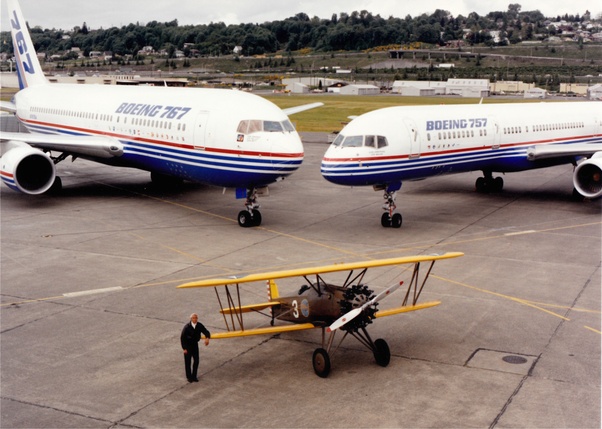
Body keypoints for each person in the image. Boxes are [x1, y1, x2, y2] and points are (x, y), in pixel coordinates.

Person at [180, 313, 210, 382]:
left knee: (196, 360)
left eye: (196, 318)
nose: (195, 319)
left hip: (195, 345)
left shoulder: (199, 325)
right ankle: (189, 377)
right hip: (188, 346)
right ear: (191, 319)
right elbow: (182, 338)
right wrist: (184, 348)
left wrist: (207, 338)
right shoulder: (187, 327)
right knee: (188, 362)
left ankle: (194, 376)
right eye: (193, 318)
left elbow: (206, 331)